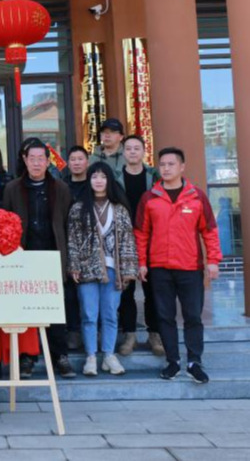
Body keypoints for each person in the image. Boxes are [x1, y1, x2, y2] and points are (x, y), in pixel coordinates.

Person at [135, 147, 221, 383]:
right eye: (162, 164)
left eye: (171, 164)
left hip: (190, 267)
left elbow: (209, 231)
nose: (166, 168)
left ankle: (194, 362)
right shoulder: (150, 198)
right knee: (165, 316)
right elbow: (141, 233)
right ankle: (172, 361)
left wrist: (213, 260)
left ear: (182, 167)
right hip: (159, 267)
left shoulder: (196, 196)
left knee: (193, 316)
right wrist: (142, 262)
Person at [2, 137, 75, 378]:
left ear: (47, 161)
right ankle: (27, 357)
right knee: (26, 308)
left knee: (55, 308)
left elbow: (67, 224)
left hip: (52, 255)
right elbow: (5, 222)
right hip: (23, 256)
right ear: (25, 160)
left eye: (40, 159)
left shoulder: (60, 188)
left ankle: (60, 356)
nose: (36, 163)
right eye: (31, 158)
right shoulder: (13, 188)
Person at [67, 162, 139, 377]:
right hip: (87, 269)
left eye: (103, 177)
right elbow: (72, 240)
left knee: (110, 314)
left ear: (109, 180)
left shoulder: (120, 209)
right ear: (88, 180)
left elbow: (128, 240)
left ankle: (109, 355)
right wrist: (74, 266)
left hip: (113, 270)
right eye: (94, 177)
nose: (98, 181)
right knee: (89, 314)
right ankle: (90, 356)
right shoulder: (78, 208)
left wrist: (128, 270)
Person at [118, 135, 162, 356]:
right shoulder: (115, 177)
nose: (133, 152)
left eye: (137, 148)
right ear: (123, 152)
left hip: (150, 237)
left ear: (144, 151)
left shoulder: (154, 176)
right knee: (125, 289)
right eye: (129, 148)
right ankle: (130, 334)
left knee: (151, 288)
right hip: (123, 238)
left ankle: (154, 334)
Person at [61, 145, 90, 351]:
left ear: (87, 162)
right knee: (70, 291)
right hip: (68, 242)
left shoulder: (95, 183)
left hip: (91, 244)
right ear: (68, 163)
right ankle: (73, 331)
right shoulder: (62, 186)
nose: (77, 163)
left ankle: (93, 332)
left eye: (80, 159)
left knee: (91, 291)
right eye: (73, 159)